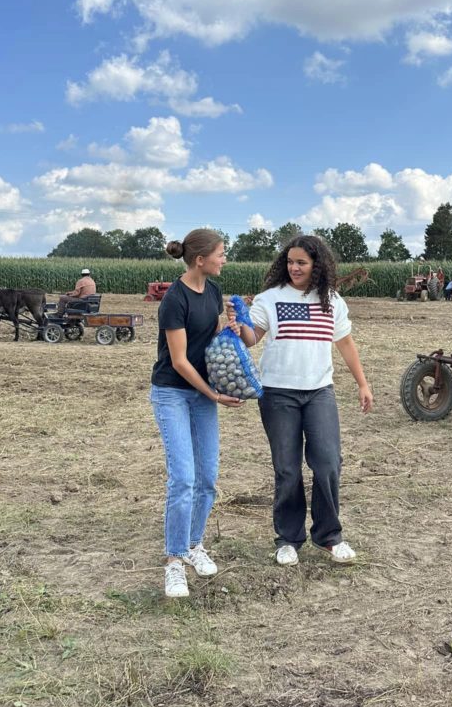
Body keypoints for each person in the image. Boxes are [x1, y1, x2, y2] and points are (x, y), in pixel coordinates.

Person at [233, 235, 373, 567]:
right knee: (287, 468)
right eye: (290, 262)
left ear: (317, 266)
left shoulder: (332, 301)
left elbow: (346, 344)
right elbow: (253, 338)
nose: (294, 268)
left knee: (327, 463)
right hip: (277, 393)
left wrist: (363, 384)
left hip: (319, 392)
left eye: (302, 263)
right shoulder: (270, 298)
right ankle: (288, 539)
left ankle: (329, 537)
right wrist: (240, 326)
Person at [150, 230, 242, 599]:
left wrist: (230, 327)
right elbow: (179, 361)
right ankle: (173, 561)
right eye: (221, 254)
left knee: (208, 478)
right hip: (173, 392)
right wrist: (214, 394)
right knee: (183, 479)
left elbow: (208, 337)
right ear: (200, 259)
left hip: (204, 393)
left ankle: (193, 544)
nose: (225, 259)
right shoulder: (174, 299)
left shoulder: (214, 292)